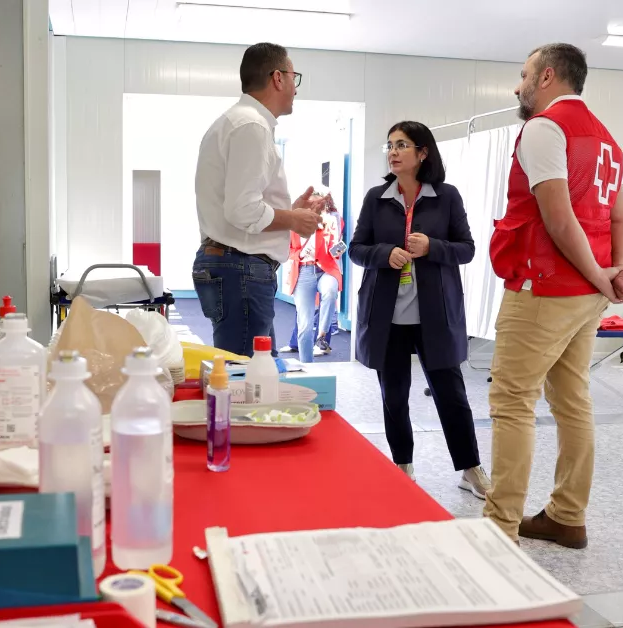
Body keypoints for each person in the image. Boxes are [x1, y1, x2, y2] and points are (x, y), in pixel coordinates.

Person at [482, 43, 623, 549]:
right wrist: (615, 273)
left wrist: (601, 277)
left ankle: (499, 528)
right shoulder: (607, 141)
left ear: (547, 76)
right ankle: (568, 515)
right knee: (572, 399)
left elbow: (558, 219)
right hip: (583, 296)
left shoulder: (545, 129)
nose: (517, 85)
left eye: (524, 74)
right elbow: (620, 220)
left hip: (545, 289)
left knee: (512, 401)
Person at [350, 121, 489, 496]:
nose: (393, 152)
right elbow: (356, 249)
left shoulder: (446, 197)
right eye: (390, 145)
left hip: (435, 316)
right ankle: (403, 466)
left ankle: (470, 469)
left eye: (402, 145)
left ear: (423, 152)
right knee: (393, 396)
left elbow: (467, 248)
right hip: (388, 317)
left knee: (452, 396)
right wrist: (384, 254)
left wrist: (433, 247)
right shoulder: (376, 198)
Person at [192, 42, 324, 357]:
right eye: (294, 77)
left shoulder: (239, 122)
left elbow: (242, 206)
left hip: (236, 265)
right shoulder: (251, 126)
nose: (295, 88)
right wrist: (292, 220)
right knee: (245, 382)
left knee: (257, 374)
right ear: (278, 78)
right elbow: (242, 209)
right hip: (241, 269)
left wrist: (289, 213)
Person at [286, 191, 344, 363]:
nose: (315, 209)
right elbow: (287, 250)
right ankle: (307, 366)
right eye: (312, 205)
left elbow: (337, 250)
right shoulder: (294, 224)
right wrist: (302, 253)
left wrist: (335, 247)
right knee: (304, 326)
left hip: (326, 269)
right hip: (303, 271)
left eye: (319, 205)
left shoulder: (331, 221)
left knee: (330, 292)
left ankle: (323, 334)